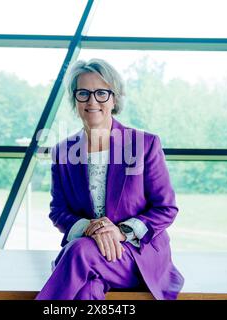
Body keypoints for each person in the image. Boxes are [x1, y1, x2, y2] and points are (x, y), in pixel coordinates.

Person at [35, 58, 184, 300]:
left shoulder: (144, 145)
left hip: (137, 256)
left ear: (114, 98)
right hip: (88, 257)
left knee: (79, 253)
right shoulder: (63, 151)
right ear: (75, 100)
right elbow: (58, 211)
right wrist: (91, 230)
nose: (92, 101)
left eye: (102, 93)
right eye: (83, 93)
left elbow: (166, 208)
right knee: (87, 288)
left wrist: (120, 232)